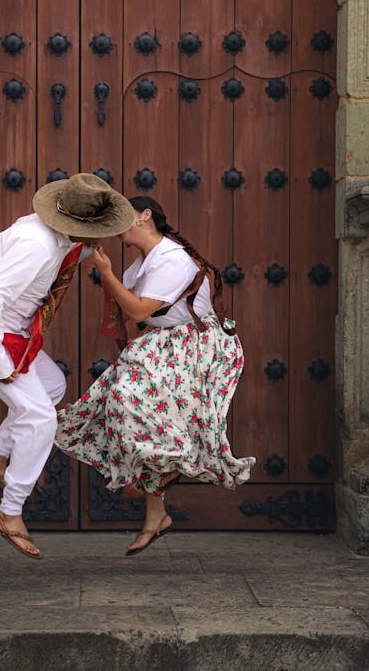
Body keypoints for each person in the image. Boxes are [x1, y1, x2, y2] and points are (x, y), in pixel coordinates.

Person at [55, 195, 255, 555]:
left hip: (196, 348)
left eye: (123, 219)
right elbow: (137, 315)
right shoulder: (142, 263)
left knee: (130, 402)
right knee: (122, 404)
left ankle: (175, 466)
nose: (118, 228)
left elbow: (135, 310)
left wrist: (106, 273)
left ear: (145, 216)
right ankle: (156, 514)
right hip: (163, 344)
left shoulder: (172, 260)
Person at [0, 173, 134, 559]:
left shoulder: (59, 239)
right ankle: (9, 512)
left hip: (12, 331)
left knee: (51, 386)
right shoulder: (36, 244)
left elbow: (69, 255)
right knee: (40, 417)